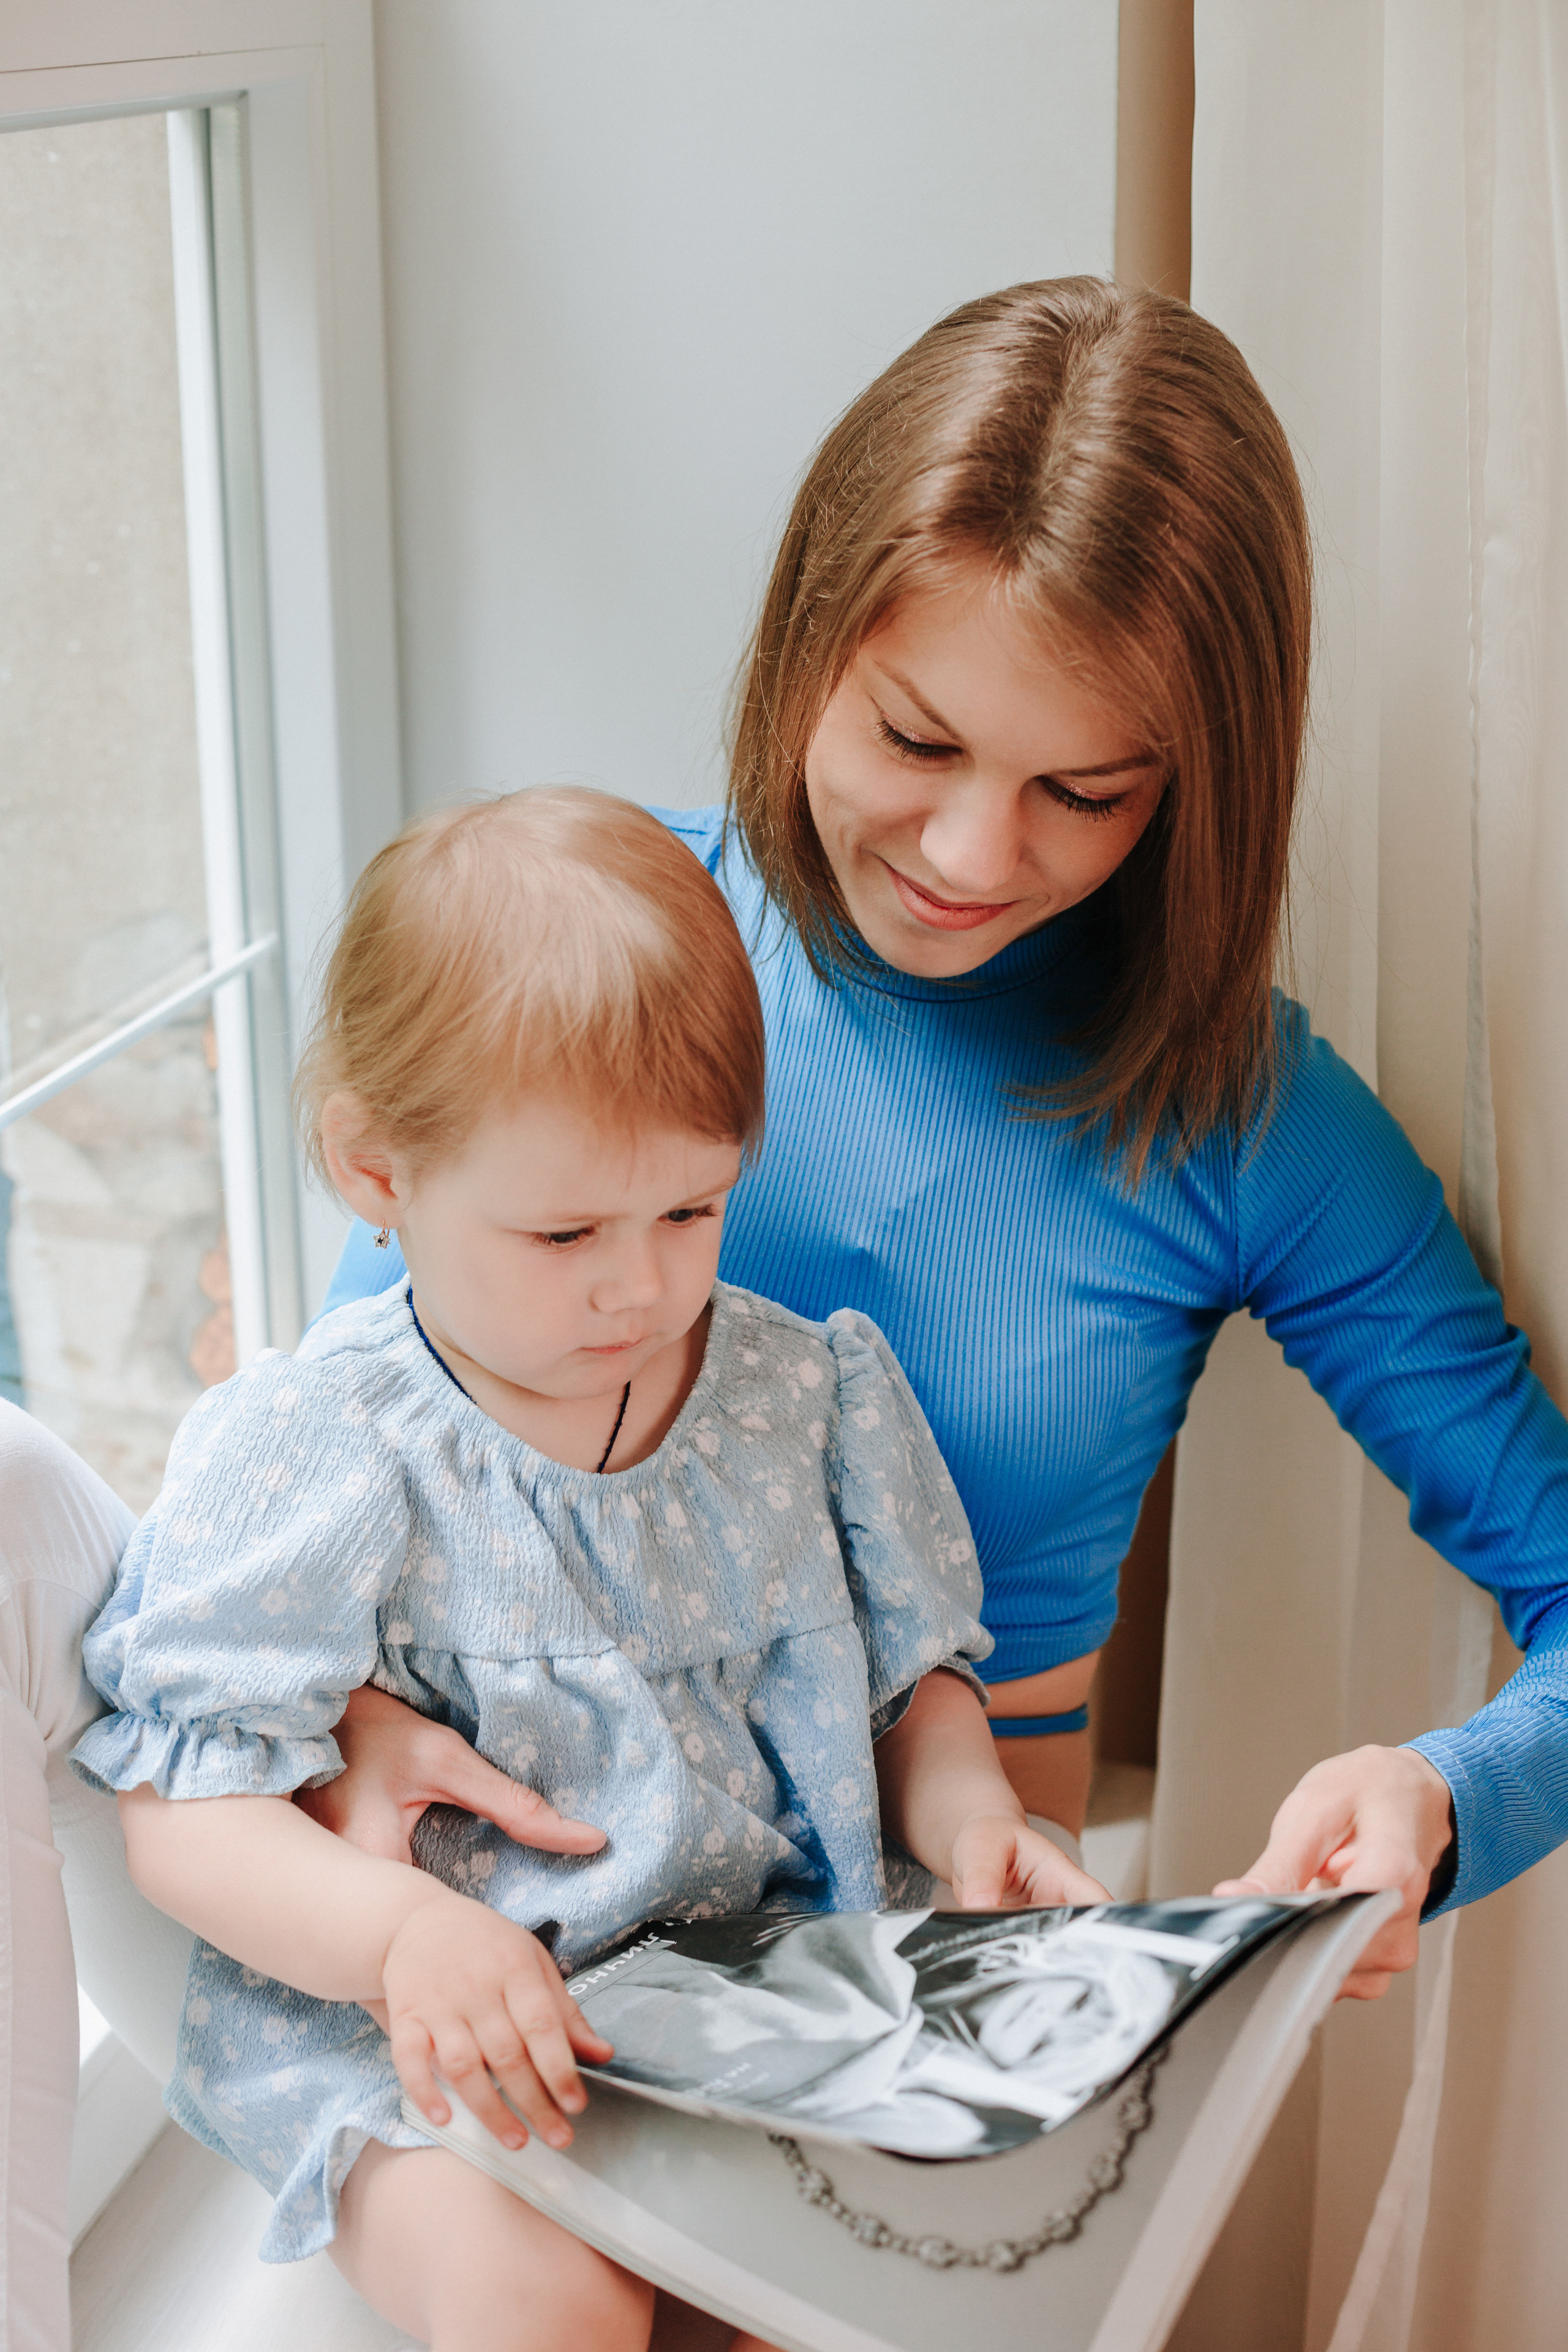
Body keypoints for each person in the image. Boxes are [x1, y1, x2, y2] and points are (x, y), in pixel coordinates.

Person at [319, 276, 1568, 2001]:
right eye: (917, 740)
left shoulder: (1242, 1119)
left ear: (1194, 785)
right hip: (504, 1951)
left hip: (938, 1978)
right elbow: (338, 1446)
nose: (972, 857)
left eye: (1086, 791)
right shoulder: (583, 959)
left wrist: (1444, 1793)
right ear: (804, 645)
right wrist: (350, 1721)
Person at [67, 788, 1106, 2352]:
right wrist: (400, 1935)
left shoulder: (805, 1395)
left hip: (769, 1994)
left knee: (849, 2296)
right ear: (375, 1170)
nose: (640, 1286)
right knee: (541, 2304)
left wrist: (970, 1819)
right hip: (433, 2033)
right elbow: (185, 1817)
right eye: (564, 1236)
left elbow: (913, 1694)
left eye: (691, 1207)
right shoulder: (323, 1444)